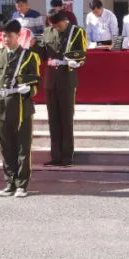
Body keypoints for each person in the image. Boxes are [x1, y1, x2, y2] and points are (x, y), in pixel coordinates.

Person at [0, 20, 41, 198]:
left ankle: (21, 185)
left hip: (20, 106)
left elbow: (36, 83)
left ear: (18, 36)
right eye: (3, 36)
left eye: (9, 36)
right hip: (0, 107)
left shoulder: (29, 56)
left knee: (22, 147)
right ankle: (10, 183)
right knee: (6, 148)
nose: (6, 39)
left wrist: (29, 90)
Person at [36, 11, 87, 167]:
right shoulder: (47, 32)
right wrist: (33, 45)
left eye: (59, 25)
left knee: (66, 118)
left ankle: (66, 157)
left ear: (65, 20)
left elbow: (82, 54)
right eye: (54, 26)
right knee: (53, 120)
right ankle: (55, 156)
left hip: (67, 78)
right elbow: (42, 55)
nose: (57, 29)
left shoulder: (77, 32)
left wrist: (76, 62)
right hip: (51, 80)